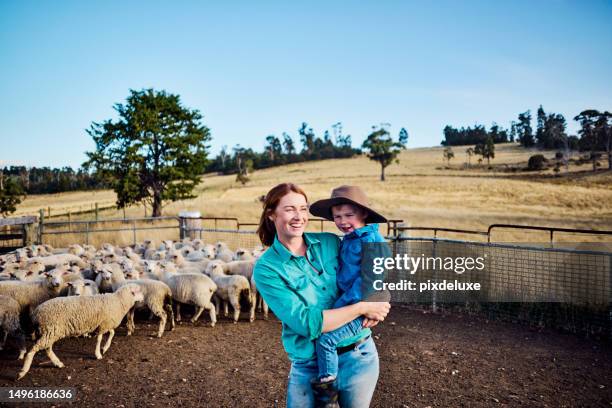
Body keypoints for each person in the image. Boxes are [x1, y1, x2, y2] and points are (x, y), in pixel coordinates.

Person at [253, 183, 391, 408]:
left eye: (303, 208)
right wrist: (362, 307)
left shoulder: (330, 242)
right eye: (290, 209)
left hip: (359, 355)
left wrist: (380, 298)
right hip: (310, 366)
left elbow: (370, 272)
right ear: (271, 214)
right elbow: (307, 323)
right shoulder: (267, 269)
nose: (299, 216)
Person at [308, 185, 389, 405]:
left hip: (357, 306)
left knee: (326, 340)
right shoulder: (349, 240)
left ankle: (328, 394)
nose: (343, 221)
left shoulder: (373, 243)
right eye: (337, 217)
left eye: (349, 215)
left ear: (363, 213)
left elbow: (369, 282)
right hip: (351, 303)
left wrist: (338, 308)